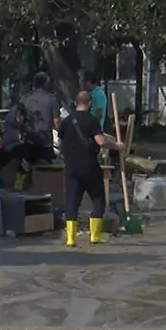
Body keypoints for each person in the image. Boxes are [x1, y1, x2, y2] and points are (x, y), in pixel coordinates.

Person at [59, 90, 122, 247]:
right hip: (89, 165)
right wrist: (116, 146)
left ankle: (71, 238)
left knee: (72, 201)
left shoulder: (66, 121)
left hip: (71, 166)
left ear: (75, 102)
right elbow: (100, 141)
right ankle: (95, 235)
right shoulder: (92, 120)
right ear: (90, 103)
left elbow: (61, 141)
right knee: (98, 198)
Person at [15, 72, 59, 190]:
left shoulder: (25, 98)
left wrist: (20, 133)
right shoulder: (51, 99)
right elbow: (56, 121)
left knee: (24, 167)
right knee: (44, 170)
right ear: (46, 83)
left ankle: (18, 189)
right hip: (45, 141)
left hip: (28, 139)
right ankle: (42, 193)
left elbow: (18, 118)